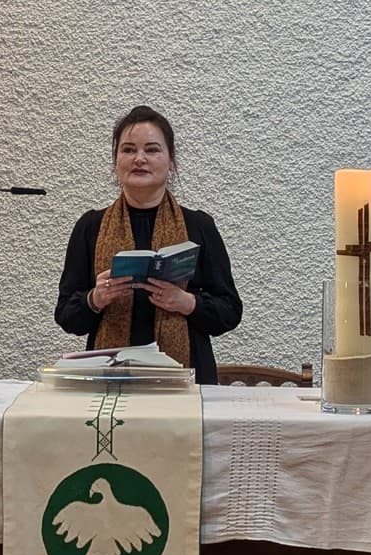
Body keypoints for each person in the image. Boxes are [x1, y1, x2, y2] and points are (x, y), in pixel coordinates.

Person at [54, 106, 243, 383]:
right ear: (116, 160)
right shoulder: (90, 226)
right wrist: (95, 298)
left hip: (186, 380)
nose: (139, 159)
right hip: (110, 380)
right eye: (128, 150)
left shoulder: (199, 226)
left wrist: (187, 302)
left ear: (171, 161)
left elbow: (230, 311)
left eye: (152, 150)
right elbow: (66, 315)